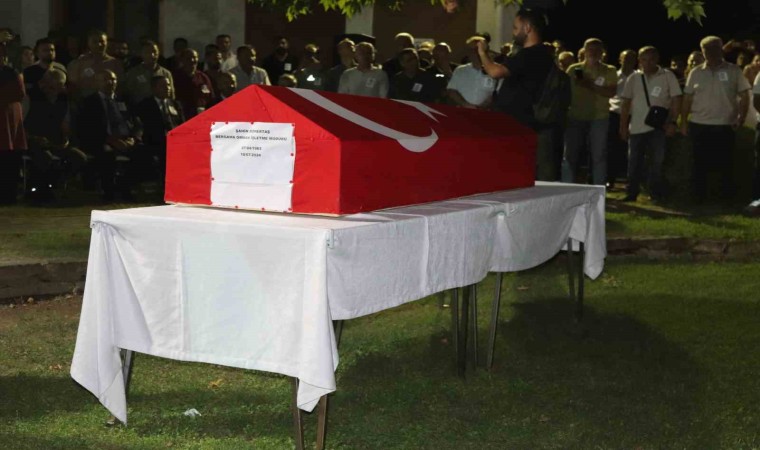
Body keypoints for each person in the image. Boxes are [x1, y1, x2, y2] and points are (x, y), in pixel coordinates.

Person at [477, 9, 558, 180]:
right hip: (525, 120)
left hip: (518, 121)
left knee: (512, 169)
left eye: (515, 28)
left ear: (527, 28)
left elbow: (495, 72)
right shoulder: (542, 54)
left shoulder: (529, 54)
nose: (513, 33)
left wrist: (482, 53)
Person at [681, 36, 751, 203]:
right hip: (699, 123)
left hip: (725, 124)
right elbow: (687, 99)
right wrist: (683, 121)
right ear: (702, 51)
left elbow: (744, 95)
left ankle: (725, 198)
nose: (711, 53)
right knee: (699, 163)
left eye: (714, 48)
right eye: (707, 50)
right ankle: (699, 198)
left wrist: (741, 117)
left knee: (725, 164)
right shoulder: (696, 72)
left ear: (721, 49)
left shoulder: (734, 71)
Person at [619, 46, 682, 202]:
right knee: (634, 162)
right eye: (644, 59)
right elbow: (626, 103)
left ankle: (655, 193)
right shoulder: (633, 78)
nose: (647, 63)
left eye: (651, 59)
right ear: (639, 60)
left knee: (657, 162)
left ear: (657, 59)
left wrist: (673, 122)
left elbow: (676, 99)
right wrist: (623, 126)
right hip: (637, 126)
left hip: (658, 126)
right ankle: (631, 192)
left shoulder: (667, 76)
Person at [78, 70, 148, 202]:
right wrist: (110, 140)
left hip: (127, 140)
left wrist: (134, 138)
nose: (110, 82)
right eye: (106, 79)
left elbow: (138, 123)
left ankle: (126, 187)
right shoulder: (89, 102)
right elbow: (88, 129)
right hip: (102, 140)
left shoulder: (125, 100)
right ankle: (108, 191)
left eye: (113, 79)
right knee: (106, 155)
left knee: (144, 153)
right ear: (96, 83)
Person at [23, 69, 87, 201]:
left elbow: (65, 123)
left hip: (54, 141)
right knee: (45, 157)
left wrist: (65, 139)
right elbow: (20, 124)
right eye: (52, 86)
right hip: (33, 140)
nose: (54, 90)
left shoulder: (63, 100)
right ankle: (40, 190)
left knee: (79, 157)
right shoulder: (31, 97)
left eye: (59, 86)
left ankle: (55, 183)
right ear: (43, 84)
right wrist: (32, 137)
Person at [561, 38, 617, 185]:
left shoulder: (609, 70)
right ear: (584, 51)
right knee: (570, 156)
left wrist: (588, 84)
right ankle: (567, 188)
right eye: (590, 49)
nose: (593, 52)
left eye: (597, 49)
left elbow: (611, 92)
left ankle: (599, 189)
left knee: (599, 156)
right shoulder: (573, 69)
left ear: (602, 52)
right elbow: (564, 91)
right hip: (575, 116)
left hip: (599, 117)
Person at [135, 75, 184, 183]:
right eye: (163, 86)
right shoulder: (145, 105)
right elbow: (145, 127)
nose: (167, 88)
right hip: (156, 141)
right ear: (154, 88)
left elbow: (182, 124)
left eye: (168, 85)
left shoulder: (175, 104)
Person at [0, 34, 26, 204]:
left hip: (6, 118)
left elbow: (18, 94)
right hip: (6, 117)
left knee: (8, 158)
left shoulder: (10, 73)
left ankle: (8, 194)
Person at [67, 29, 123, 103]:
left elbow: (120, 85)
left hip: (108, 102)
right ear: (88, 43)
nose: (99, 44)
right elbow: (73, 85)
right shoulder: (79, 63)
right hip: (85, 102)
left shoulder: (115, 63)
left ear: (107, 43)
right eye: (95, 42)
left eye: (102, 41)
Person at [608, 49, 637, 189]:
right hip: (614, 113)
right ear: (620, 60)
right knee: (612, 148)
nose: (628, 62)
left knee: (630, 149)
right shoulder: (613, 75)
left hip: (632, 115)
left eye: (631, 59)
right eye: (626, 59)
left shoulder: (639, 76)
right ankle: (610, 178)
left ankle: (628, 180)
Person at [447, 36, 496, 110]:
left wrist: (482, 107)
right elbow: (452, 90)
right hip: (462, 111)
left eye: (478, 49)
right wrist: (465, 104)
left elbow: (497, 93)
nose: (476, 53)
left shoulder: (494, 70)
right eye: (472, 50)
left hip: (486, 113)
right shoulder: (460, 70)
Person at [121, 40, 174, 108]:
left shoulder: (166, 73)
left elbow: (171, 95)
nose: (152, 55)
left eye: (154, 52)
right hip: (141, 109)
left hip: (162, 109)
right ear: (141, 54)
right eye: (147, 52)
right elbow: (128, 93)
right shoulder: (133, 73)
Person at [172, 48, 215, 119]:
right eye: (188, 58)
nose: (192, 60)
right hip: (183, 116)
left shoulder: (203, 77)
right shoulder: (175, 77)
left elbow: (211, 99)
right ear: (182, 60)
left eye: (194, 57)